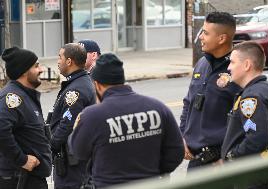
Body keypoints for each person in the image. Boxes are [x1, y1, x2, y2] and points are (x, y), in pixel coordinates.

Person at [69, 53, 184, 188]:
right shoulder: (158, 108)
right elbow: (176, 152)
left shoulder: (92, 116)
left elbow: (78, 151)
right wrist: (152, 173)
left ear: (97, 85)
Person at [179, 11, 241, 169]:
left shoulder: (238, 70)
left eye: (205, 33)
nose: (200, 37)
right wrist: (182, 136)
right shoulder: (201, 63)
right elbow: (189, 103)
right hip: (196, 160)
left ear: (221, 39)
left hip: (220, 162)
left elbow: (246, 120)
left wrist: (230, 158)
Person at [221, 41, 268, 188]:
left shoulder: (252, 97)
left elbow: (257, 139)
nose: (229, 67)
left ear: (247, 65)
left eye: (232, 62)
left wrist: (232, 156)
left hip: (254, 176)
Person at [0, 47, 52, 189]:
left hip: (31, 178)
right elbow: (1, 129)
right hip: (20, 180)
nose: (41, 69)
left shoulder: (25, 95)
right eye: (36, 66)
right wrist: (21, 160)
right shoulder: (13, 98)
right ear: (23, 71)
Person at [50, 43, 96, 189]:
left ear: (69, 61)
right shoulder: (79, 82)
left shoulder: (76, 90)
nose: (58, 61)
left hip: (72, 162)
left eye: (60, 57)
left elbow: (67, 125)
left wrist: (51, 146)